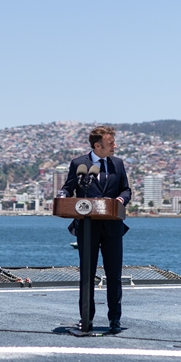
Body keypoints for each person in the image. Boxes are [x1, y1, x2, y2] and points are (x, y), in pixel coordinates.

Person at [61, 125, 132, 333]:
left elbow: (126, 189)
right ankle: (86, 318)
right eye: (110, 143)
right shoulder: (79, 164)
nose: (115, 146)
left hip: (113, 227)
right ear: (97, 145)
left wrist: (121, 199)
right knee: (87, 274)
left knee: (114, 275)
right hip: (87, 227)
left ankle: (114, 320)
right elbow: (68, 187)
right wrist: (63, 195)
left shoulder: (117, 164)